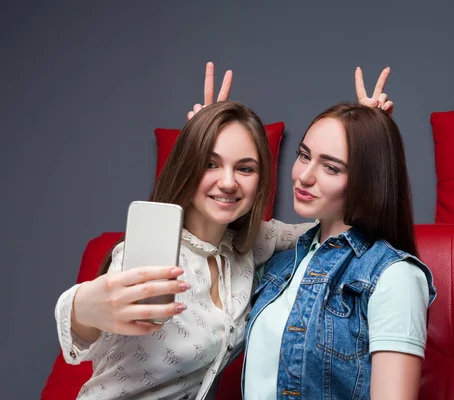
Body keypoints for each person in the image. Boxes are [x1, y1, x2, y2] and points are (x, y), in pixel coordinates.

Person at [55, 93, 312, 399]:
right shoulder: (148, 254)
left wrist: (365, 139)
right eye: (210, 164)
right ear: (188, 166)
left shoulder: (250, 245)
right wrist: (80, 307)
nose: (228, 182)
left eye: (245, 169)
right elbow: (88, 321)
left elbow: (328, 228)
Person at [241, 101, 437, 398]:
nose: (305, 176)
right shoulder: (284, 260)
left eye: (331, 168)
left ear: (367, 180)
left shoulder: (395, 277)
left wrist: (372, 136)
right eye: (304, 155)